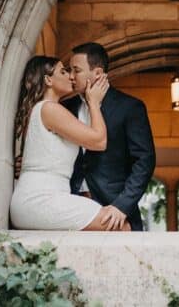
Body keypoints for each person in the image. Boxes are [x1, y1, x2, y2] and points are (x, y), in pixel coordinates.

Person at [9, 56, 132, 231]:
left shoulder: (43, 109)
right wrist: (94, 103)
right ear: (48, 79)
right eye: (63, 71)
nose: (70, 76)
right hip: (39, 200)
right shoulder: (50, 109)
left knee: (113, 223)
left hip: (41, 198)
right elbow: (99, 141)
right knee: (120, 226)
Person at [65, 43, 156, 231]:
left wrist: (122, 206)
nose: (71, 76)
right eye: (68, 70)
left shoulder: (130, 107)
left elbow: (144, 160)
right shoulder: (64, 107)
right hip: (68, 204)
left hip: (112, 208)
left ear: (97, 73)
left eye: (76, 70)